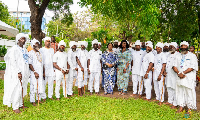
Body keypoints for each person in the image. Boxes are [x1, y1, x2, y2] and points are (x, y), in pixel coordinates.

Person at [3, 33, 29, 113]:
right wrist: (18, 72)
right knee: (17, 89)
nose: (23, 40)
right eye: (21, 39)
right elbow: (13, 61)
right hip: (16, 72)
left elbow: (25, 61)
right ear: (18, 40)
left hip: (24, 72)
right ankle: (15, 106)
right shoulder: (14, 49)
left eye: (24, 39)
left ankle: (21, 104)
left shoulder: (24, 50)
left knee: (22, 88)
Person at [173, 41, 198, 113]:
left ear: (187, 47)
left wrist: (183, 73)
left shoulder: (192, 56)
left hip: (188, 78)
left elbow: (193, 67)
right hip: (179, 77)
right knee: (180, 91)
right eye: (182, 46)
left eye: (185, 46)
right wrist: (178, 73)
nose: (183, 47)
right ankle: (181, 106)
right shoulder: (177, 56)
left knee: (189, 92)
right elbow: (174, 66)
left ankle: (189, 109)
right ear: (180, 47)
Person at [29, 39, 45, 106]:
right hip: (34, 73)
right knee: (33, 86)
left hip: (40, 72)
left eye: (38, 44)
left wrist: (43, 72)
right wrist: (34, 72)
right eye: (36, 44)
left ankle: (38, 99)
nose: (37, 45)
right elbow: (30, 64)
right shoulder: (30, 53)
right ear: (33, 45)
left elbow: (42, 63)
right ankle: (32, 101)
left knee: (40, 85)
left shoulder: (40, 53)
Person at [165, 42, 179, 109]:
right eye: (170, 46)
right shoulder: (168, 54)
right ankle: (170, 101)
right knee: (169, 87)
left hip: (174, 75)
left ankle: (175, 103)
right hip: (168, 74)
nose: (170, 48)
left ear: (175, 48)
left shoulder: (178, 55)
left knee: (175, 88)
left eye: (172, 46)